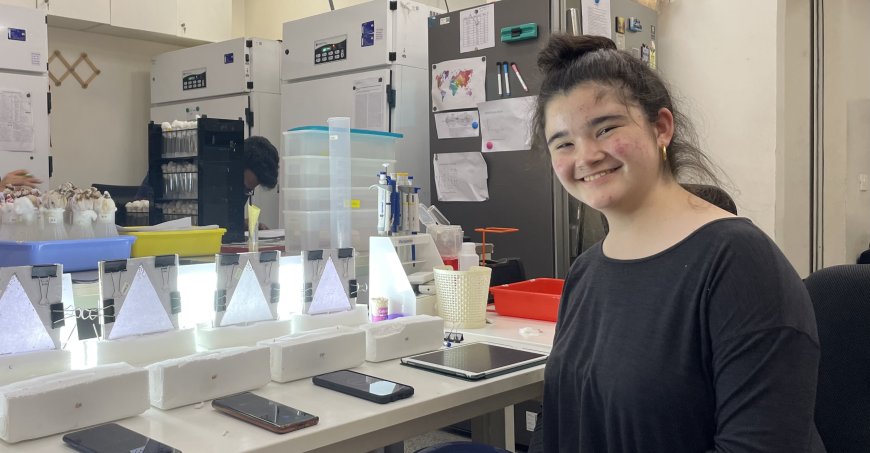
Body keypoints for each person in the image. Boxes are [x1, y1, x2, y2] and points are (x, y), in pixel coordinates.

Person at [529, 35, 824, 452]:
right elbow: (558, 421)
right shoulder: (586, 270)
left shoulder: (739, 261)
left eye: (606, 128)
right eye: (564, 143)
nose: (586, 156)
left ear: (661, 127)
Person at [135, 135, 279, 227]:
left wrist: (240, 224)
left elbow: (219, 218)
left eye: (249, 190)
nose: (242, 193)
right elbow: (141, 215)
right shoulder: (182, 171)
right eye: (243, 187)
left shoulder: (236, 182)